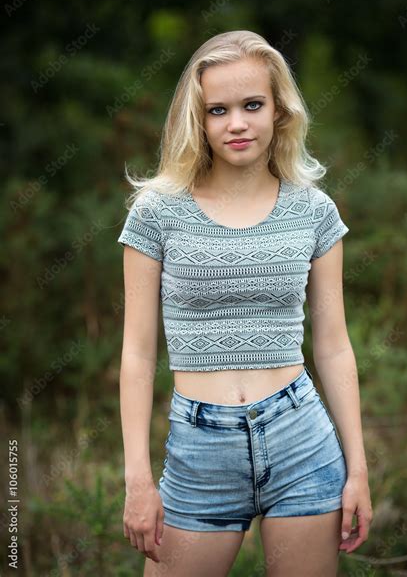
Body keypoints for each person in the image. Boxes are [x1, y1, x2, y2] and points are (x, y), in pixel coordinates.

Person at [117, 30, 372, 577]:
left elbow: (333, 344)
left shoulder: (314, 211)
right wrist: (137, 477)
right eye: (218, 110)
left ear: (279, 110)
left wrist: (359, 469)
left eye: (253, 105)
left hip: (301, 439)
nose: (237, 123)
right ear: (198, 119)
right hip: (199, 450)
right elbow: (138, 354)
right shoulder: (156, 213)